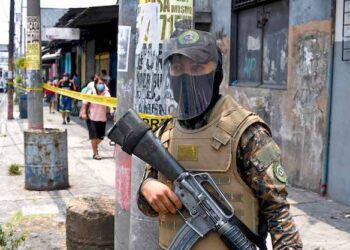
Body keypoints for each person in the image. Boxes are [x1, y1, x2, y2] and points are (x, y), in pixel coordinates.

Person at [137, 30, 303, 250]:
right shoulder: (166, 133)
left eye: (197, 68)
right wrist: (147, 188)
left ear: (217, 74)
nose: (186, 76)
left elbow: (278, 211)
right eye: (178, 68)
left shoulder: (247, 133)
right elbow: (147, 207)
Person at [80, 76, 113, 160]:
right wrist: (84, 113)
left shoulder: (106, 92)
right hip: (91, 118)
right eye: (99, 83)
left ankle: (94, 145)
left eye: (102, 83)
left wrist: (111, 109)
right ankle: (95, 153)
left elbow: (109, 102)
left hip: (102, 118)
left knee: (101, 137)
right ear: (95, 84)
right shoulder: (91, 92)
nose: (101, 85)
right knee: (94, 136)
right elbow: (84, 103)